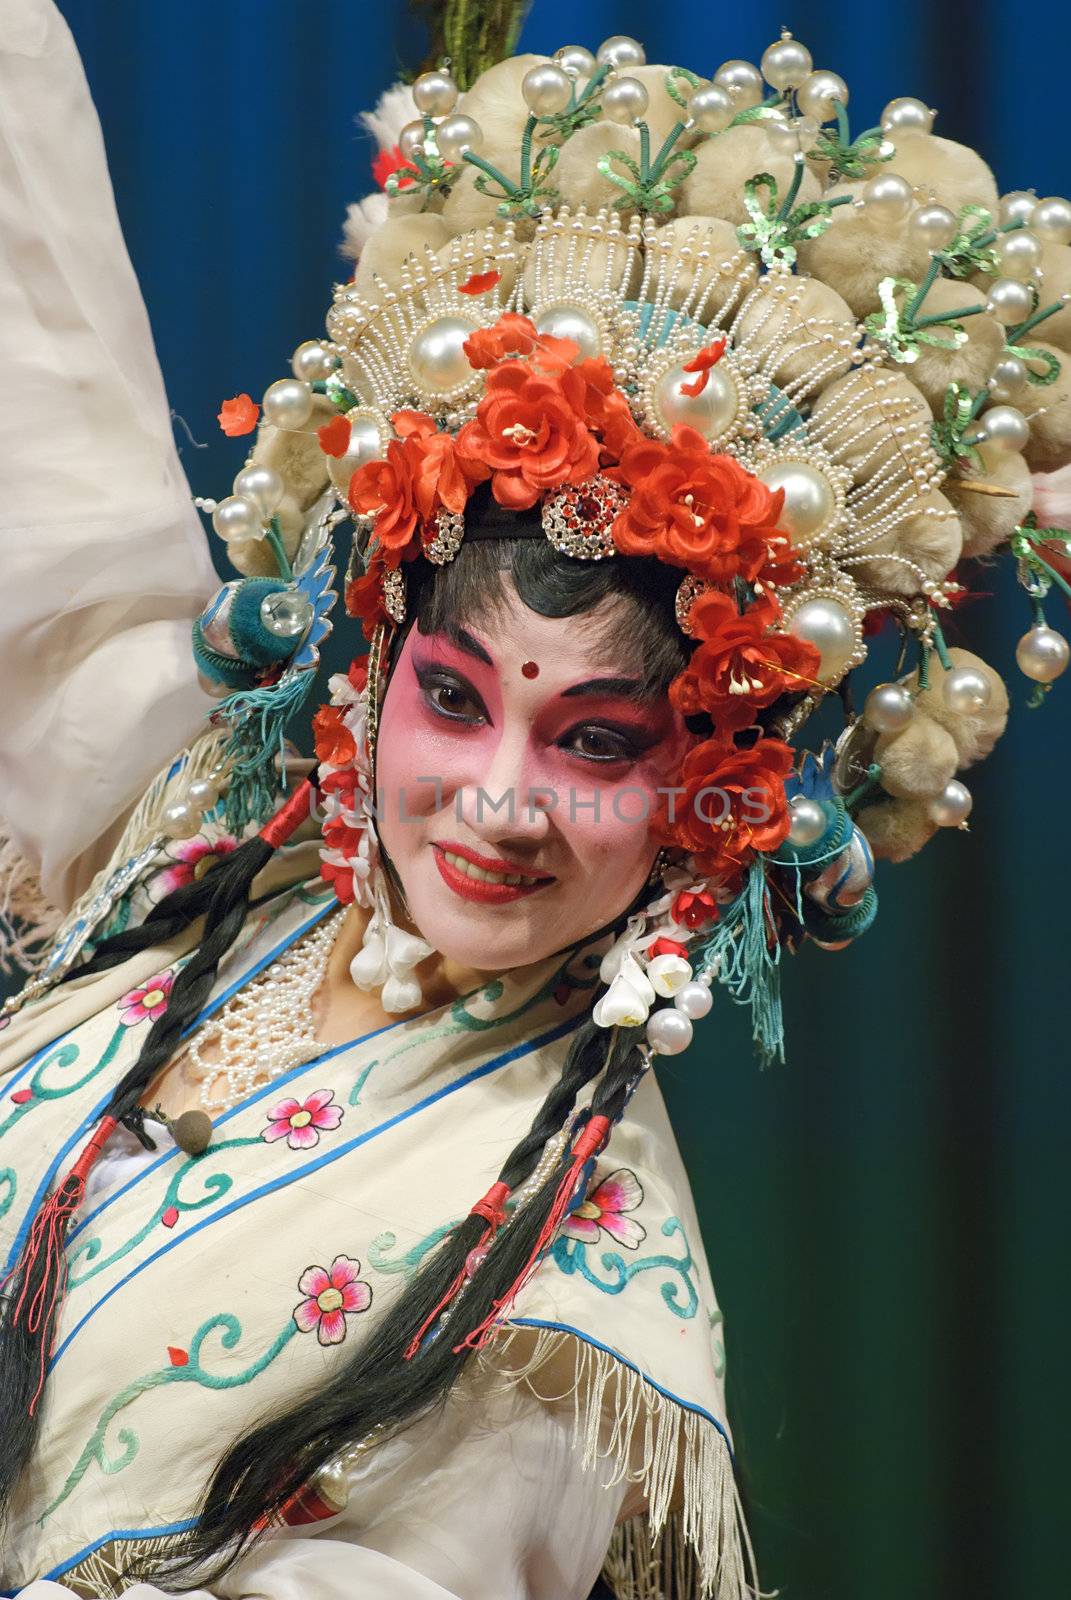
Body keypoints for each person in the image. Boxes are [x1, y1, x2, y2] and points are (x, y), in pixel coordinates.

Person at [3, 5, 1071, 1598]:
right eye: (456, 697)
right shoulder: (198, 867)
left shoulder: (575, 1290)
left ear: (711, 795)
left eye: (594, 741)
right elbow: (46, 399)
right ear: (372, 671)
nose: (496, 802)